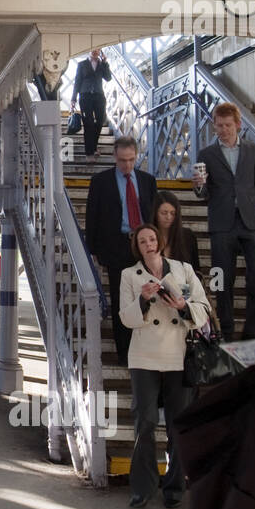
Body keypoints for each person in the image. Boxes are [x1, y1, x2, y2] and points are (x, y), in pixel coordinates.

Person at [119, 223, 209, 509]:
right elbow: (125, 318)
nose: (149, 244)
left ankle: (174, 487)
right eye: (143, 241)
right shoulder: (129, 275)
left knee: (178, 423)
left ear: (160, 241)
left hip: (178, 353)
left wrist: (183, 306)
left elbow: (204, 309)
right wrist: (144, 299)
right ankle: (143, 487)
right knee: (145, 422)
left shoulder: (183, 269)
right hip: (144, 354)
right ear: (138, 247)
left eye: (153, 239)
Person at [192, 103, 255, 339]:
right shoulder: (206, 155)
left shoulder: (254, 150)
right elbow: (202, 195)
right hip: (222, 225)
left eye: (227, 125)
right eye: (219, 125)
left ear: (238, 125)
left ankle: (253, 328)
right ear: (214, 126)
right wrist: (199, 185)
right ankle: (226, 328)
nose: (223, 130)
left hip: (252, 223)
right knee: (222, 280)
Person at [85, 136, 158, 364]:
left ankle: (145, 348)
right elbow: (92, 215)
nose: (127, 165)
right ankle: (124, 352)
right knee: (121, 300)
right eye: (123, 160)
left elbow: (153, 214)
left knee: (147, 297)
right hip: (115, 246)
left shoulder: (147, 181)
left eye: (131, 160)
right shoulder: (101, 181)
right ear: (114, 157)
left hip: (144, 247)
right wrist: (94, 248)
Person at [72, 47, 112, 157]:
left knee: (100, 121)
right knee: (88, 123)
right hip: (85, 96)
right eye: (93, 49)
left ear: (100, 51)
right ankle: (89, 152)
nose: (95, 51)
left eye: (98, 49)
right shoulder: (82, 64)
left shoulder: (102, 64)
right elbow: (77, 81)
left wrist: (105, 63)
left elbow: (108, 78)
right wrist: (73, 98)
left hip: (99, 96)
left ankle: (93, 147)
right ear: (89, 50)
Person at [152, 191, 201, 273]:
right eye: (164, 213)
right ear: (155, 213)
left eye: (173, 213)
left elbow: (196, 270)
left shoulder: (188, 236)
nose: (168, 217)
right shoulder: (148, 236)